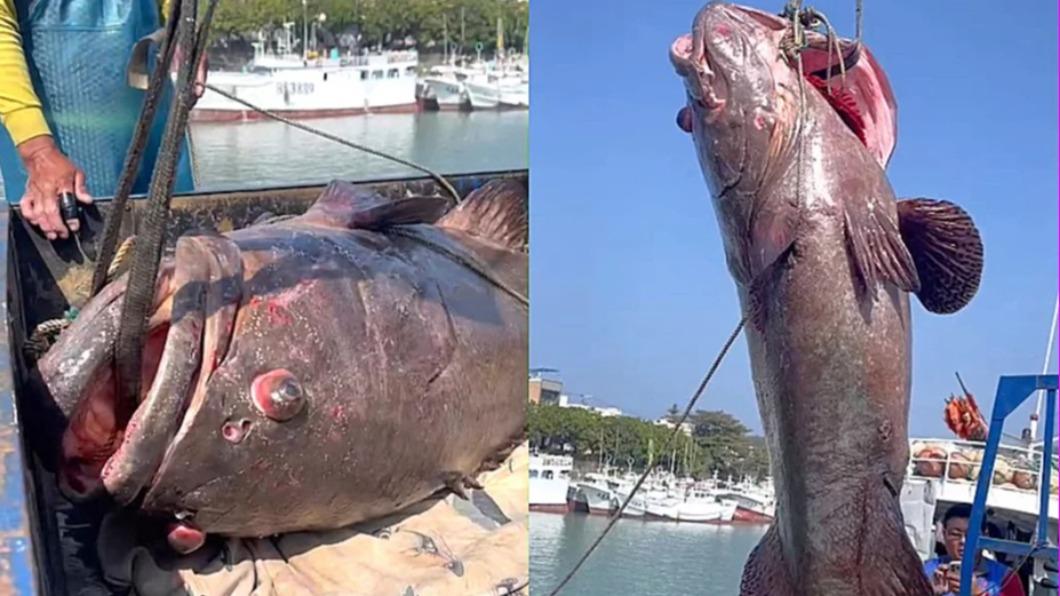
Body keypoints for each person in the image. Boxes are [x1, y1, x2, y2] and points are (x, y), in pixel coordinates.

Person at [0, 0, 197, 241]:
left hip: (155, 126)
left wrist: (186, 31)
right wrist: (38, 152)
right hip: (60, 142)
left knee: (183, 255)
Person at [924, 503, 1026, 596]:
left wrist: (977, 593)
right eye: (955, 534)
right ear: (944, 534)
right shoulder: (926, 570)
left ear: (985, 535)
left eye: (971, 535)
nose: (963, 541)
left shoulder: (1005, 577)